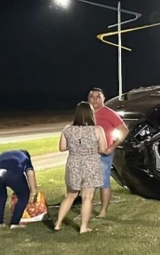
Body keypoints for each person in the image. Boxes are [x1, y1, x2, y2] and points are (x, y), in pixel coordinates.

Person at [54, 102, 108, 233]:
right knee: (87, 197)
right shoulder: (98, 130)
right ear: (91, 114)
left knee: (70, 195)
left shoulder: (68, 129)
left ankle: (58, 223)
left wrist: (74, 147)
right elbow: (103, 149)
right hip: (91, 164)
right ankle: (83, 227)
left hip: (73, 164)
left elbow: (61, 147)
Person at [88, 87, 128, 218]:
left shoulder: (109, 113)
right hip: (88, 154)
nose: (95, 99)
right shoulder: (86, 113)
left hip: (103, 154)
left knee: (103, 183)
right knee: (88, 183)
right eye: (92, 97)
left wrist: (113, 146)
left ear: (103, 99)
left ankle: (103, 211)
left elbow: (124, 130)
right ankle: (87, 207)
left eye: (98, 96)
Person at [0, 150, 38, 229]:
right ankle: (14, 222)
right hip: (14, 174)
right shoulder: (25, 158)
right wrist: (33, 190)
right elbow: (30, 173)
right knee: (23, 195)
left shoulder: (2, 155)